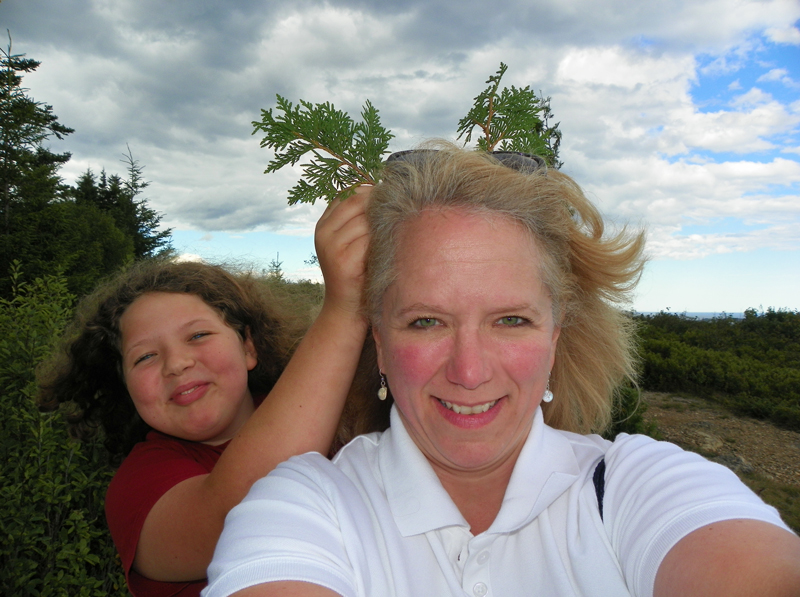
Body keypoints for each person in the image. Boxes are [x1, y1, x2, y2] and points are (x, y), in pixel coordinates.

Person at [202, 145, 800, 597]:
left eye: (511, 320)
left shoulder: (634, 486)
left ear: (556, 335)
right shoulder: (306, 507)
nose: (468, 370)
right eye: (426, 322)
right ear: (378, 344)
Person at [37, 188, 372, 596]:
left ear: (249, 347)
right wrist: (344, 307)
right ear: (123, 385)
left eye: (198, 335)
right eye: (144, 357)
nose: (176, 363)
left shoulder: (342, 408)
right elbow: (240, 510)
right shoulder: (140, 486)